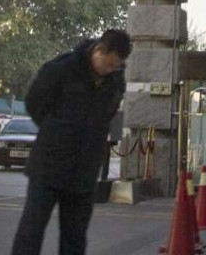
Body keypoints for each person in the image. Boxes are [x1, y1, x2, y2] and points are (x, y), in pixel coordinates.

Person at [11, 29, 131, 255]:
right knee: (31, 231)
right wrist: (56, 131)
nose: (110, 69)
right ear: (98, 50)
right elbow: (34, 103)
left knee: (75, 238)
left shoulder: (115, 81)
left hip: (84, 172)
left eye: (116, 66)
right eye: (108, 63)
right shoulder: (61, 69)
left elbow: (107, 115)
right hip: (49, 166)